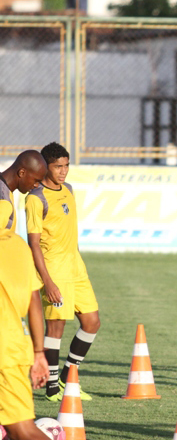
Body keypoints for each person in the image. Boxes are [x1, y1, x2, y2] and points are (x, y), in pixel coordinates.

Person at [0, 227, 106, 440]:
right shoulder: (16, 244)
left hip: (4, 353)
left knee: (22, 429)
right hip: (14, 347)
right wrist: (37, 354)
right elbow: (34, 300)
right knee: (21, 428)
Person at [26, 142, 100, 402]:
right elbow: (33, 242)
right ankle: (52, 388)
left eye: (66, 165)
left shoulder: (68, 190)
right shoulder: (36, 198)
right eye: (58, 166)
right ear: (46, 166)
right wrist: (47, 281)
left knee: (92, 322)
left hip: (76, 266)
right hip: (54, 269)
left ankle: (70, 376)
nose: (63, 171)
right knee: (55, 328)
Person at [1, 150, 48, 231]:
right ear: (22, 173)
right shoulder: (3, 201)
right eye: (36, 180)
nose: (36, 186)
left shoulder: (5, 191)